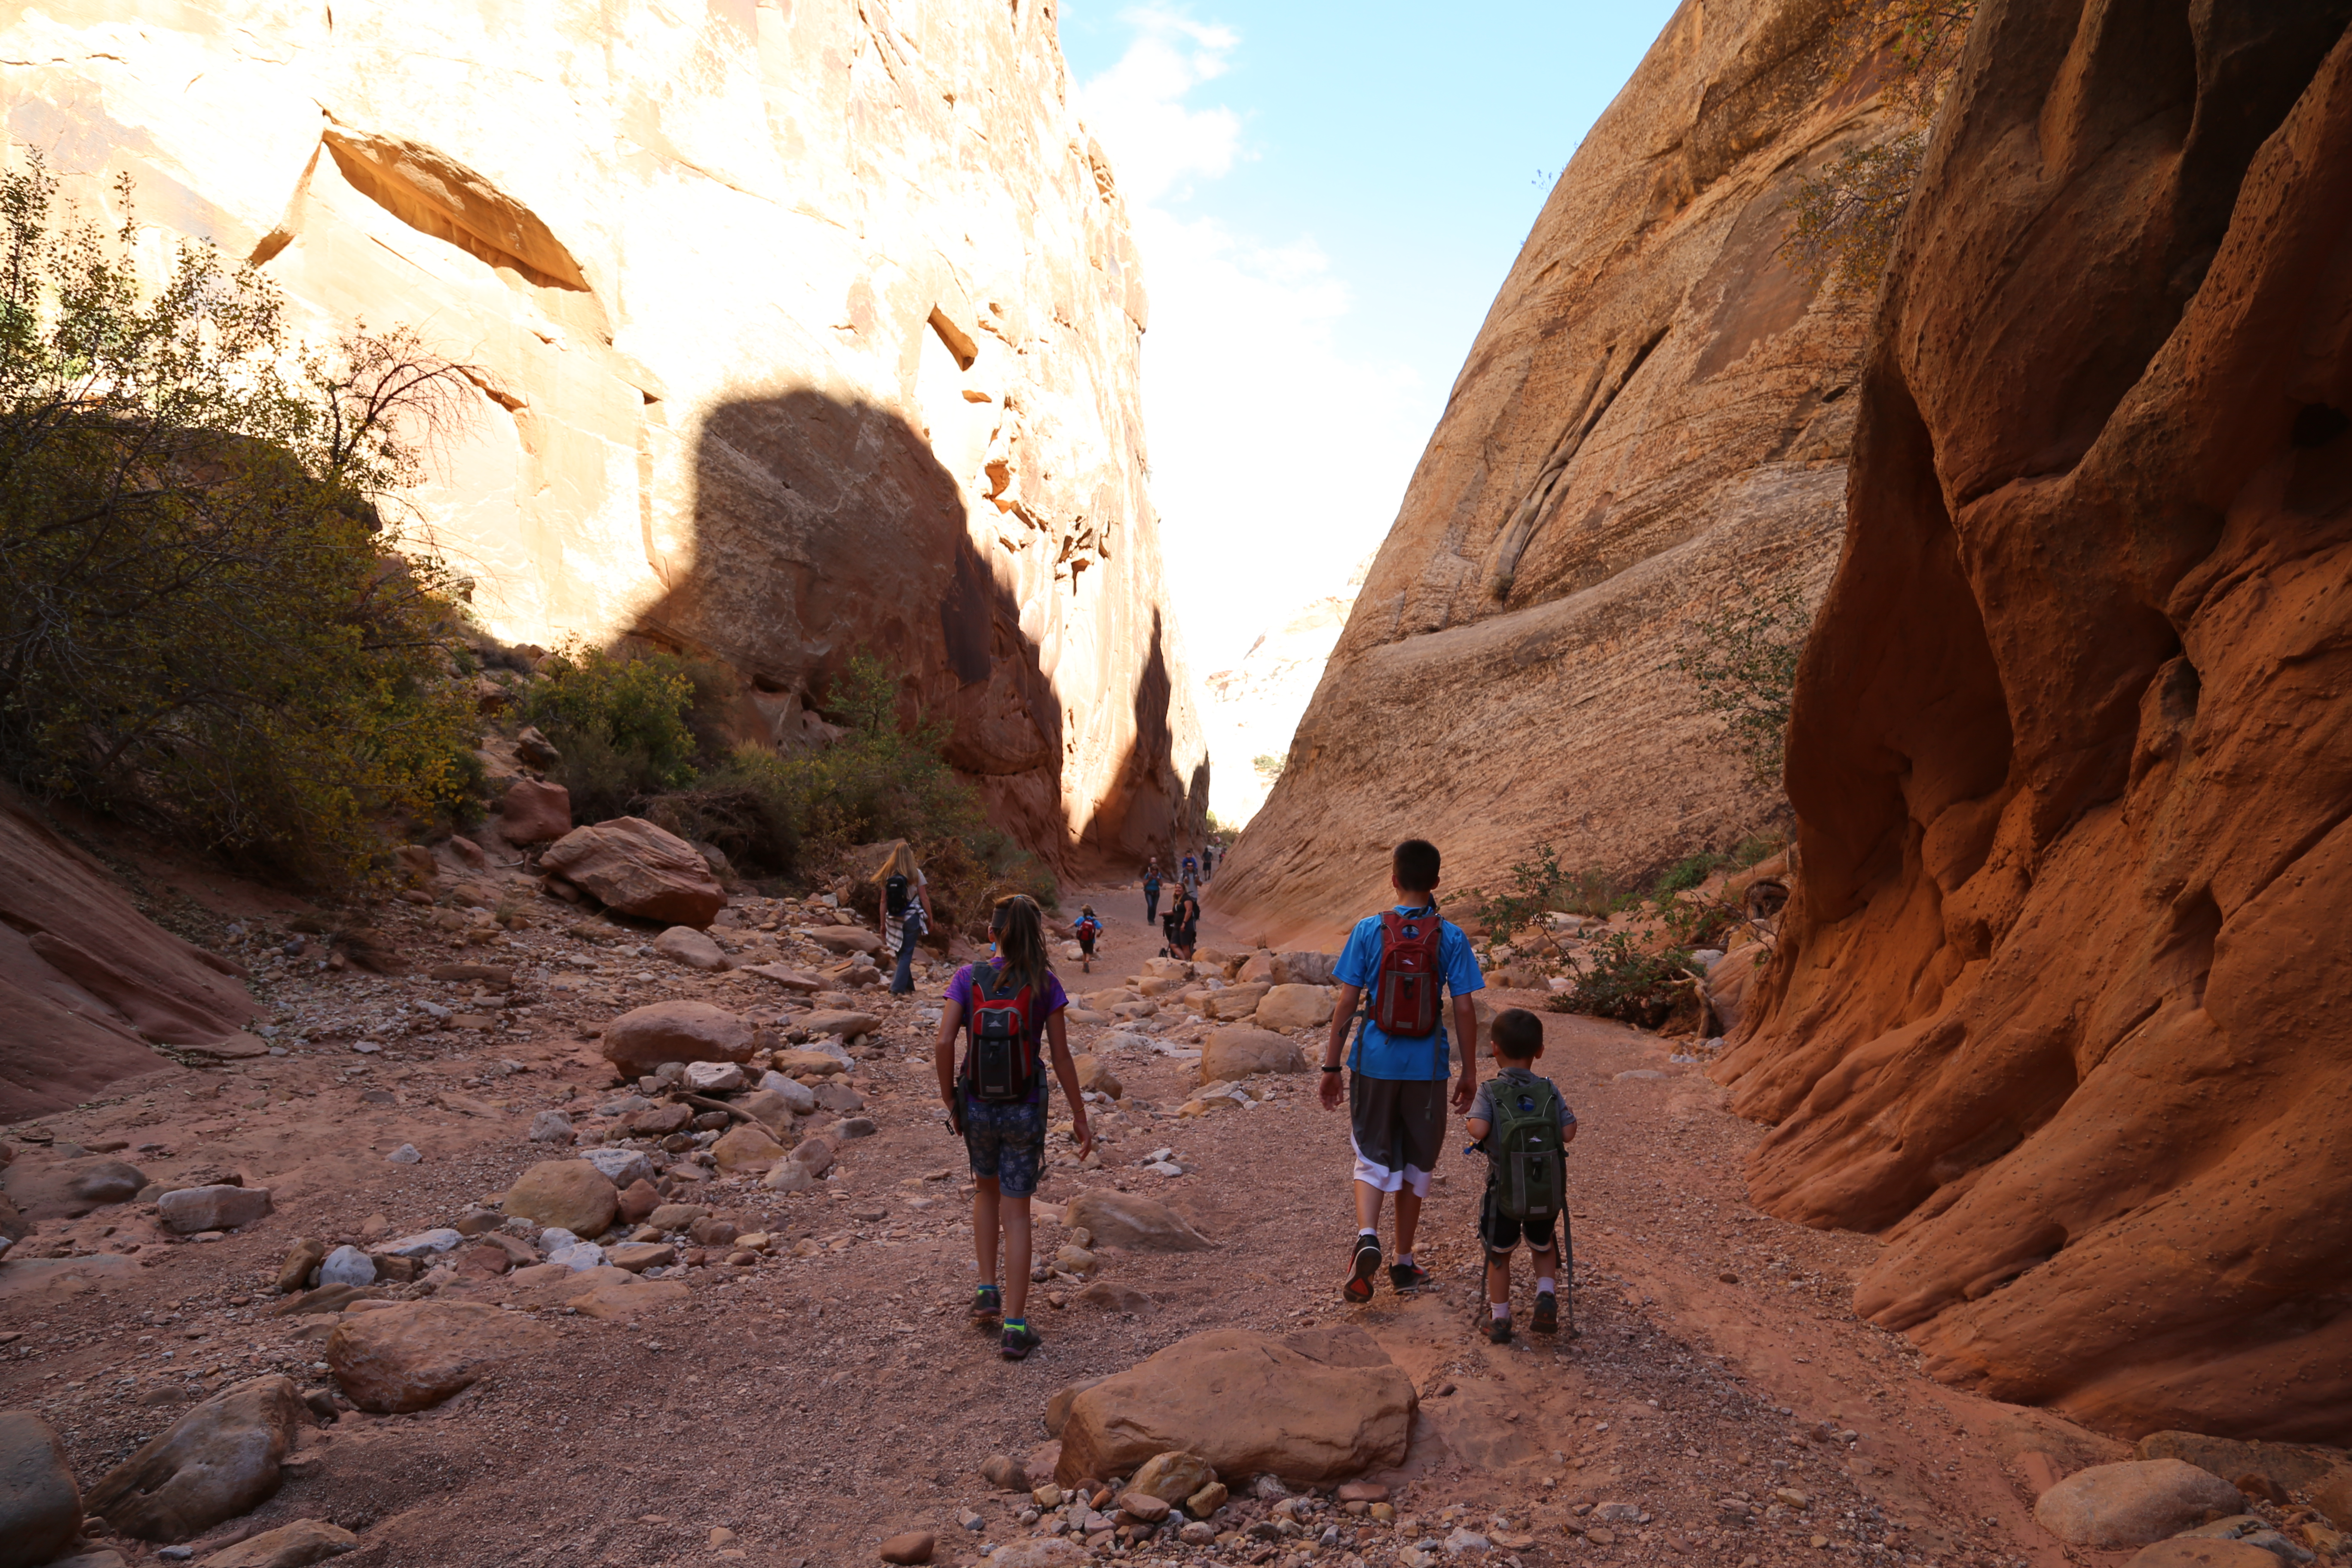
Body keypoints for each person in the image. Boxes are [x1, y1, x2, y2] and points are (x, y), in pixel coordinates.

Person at [1317, 838, 1485, 1301]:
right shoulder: (1450, 936)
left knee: (1372, 1154)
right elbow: (1466, 1010)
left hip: (1373, 1061)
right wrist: (1469, 1072)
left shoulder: (1369, 930)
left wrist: (1332, 1065)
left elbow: (1348, 1003)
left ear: (1394, 879)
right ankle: (1404, 1262)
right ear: (1435, 882)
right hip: (1428, 1068)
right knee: (1417, 1161)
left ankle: (1367, 1237)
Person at [933, 894, 1093, 1360]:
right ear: (1035, 934)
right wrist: (1081, 1116)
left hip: (978, 1105)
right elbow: (1061, 1056)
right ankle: (1015, 1327)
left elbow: (944, 1040)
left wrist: (951, 1098)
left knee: (985, 1191)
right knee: (1017, 1212)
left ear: (992, 934)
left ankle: (987, 1290)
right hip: (1024, 1107)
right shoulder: (1045, 983)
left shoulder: (967, 977)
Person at [1464, 1007, 1576, 1342]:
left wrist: (1471, 1124)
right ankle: (1545, 1295)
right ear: (1539, 1051)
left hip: (1505, 1193)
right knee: (1543, 1244)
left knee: (1499, 1254)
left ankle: (1499, 1319)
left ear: (1494, 1048)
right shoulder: (1549, 1089)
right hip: (1543, 1190)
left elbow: (1479, 1128)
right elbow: (1569, 1133)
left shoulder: (1489, 1091)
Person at [873, 841, 929, 996]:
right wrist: (930, 919)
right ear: (910, 855)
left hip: (893, 918)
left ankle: (908, 988)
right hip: (912, 916)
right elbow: (924, 899)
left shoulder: (888, 875)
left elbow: (883, 901)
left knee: (900, 952)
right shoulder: (916, 874)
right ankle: (896, 989)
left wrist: (883, 924)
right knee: (906, 954)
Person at [1162, 885, 1199, 960]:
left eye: (1179, 888)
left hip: (1186, 925)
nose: (1177, 889)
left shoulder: (1187, 899)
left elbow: (1189, 910)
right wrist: (1164, 913)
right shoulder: (1178, 900)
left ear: (1184, 890)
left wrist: (1184, 923)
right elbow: (1175, 911)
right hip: (1177, 925)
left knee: (1184, 945)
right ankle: (1184, 961)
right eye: (1176, 888)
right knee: (1173, 944)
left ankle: (1187, 963)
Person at [1072, 906, 1101, 974]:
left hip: (1082, 939)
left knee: (1084, 952)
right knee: (1089, 952)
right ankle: (1087, 962)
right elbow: (1102, 929)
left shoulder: (1081, 919)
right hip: (1091, 939)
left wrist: (1065, 929)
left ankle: (1084, 967)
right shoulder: (1094, 921)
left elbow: (1073, 924)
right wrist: (1100, 934)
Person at [1142, 860, 1164, 925]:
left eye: (1156, 870)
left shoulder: (1159, 876)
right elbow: (1144, 884)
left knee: (1154, 907)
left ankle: (1153, 919)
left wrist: (1158, 880)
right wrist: (1149, 880)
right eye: (1153, 870)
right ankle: (1150, 920)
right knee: (1150, 905)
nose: (1155, 871)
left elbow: (1161, 885)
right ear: (1151, 870)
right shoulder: (1148, 875)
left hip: (1156, 893)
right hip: (1149, 892)